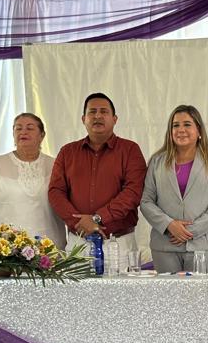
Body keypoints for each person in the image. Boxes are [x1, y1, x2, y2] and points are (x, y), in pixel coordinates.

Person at [47, 92, 148, 253]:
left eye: (104, 111)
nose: (98, 116)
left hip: (118, 243)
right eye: (92, 112)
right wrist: (79, 223)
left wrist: (97, 218)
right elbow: (55, 192)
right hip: (78, 242)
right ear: (83, 119)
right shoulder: (67, 152)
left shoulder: (130, 150)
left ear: (115, 119)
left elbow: (134, 191)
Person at [140, 105, 208, 272]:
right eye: (175, 125)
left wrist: (191, 230)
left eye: (187, 124)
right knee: (168, 290)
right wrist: (169, 225)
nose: (181, 130)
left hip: (203, 245)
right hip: (165, 246)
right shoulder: (157, 162)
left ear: (199, 131)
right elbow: (146, 201)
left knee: (201, 290)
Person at [0, 112, 66, 242]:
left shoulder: (55, 165)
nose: (23, 132)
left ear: (42, 135)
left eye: (30, 128)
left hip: (50, 247)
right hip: (8, 249)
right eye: (18, 128)